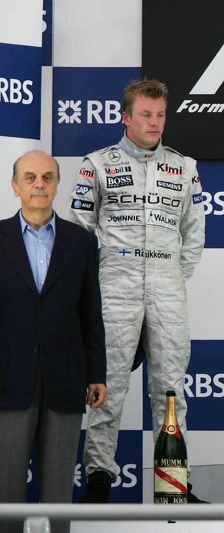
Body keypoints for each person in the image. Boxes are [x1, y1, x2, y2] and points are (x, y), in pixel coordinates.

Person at [67, 79, 205, 502]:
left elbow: (193, 236)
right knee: (106, 388)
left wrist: (169, 281)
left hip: (166, 290)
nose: (154, 123)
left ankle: (174, 484)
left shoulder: (185, 167)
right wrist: (97, 287)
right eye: (146, 114)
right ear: (126, 117)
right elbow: (78, 237)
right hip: (114, 288)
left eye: (160, 115)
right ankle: (98, 482)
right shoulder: (97, 164)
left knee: (170, 389)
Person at [0, 151, 106, 533]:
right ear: (15, 187)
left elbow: (91, 314)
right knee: (6, 496)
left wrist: (98, 374)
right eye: (29, 178)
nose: (39, 185)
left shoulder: (81, 242)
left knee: (59, 494)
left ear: (57, 185)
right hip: (8, 383)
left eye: (47, 177)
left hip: (66, 380)